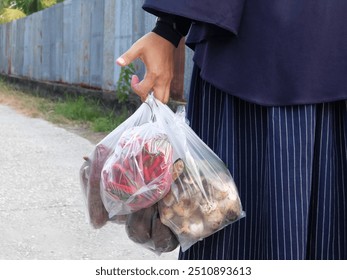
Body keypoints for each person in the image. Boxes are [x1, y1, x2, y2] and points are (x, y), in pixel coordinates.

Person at [116, 0, 347, 260]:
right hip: (287, 48)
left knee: (231, 238)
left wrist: (169, 28)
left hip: (250, 51)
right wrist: (167, 29)